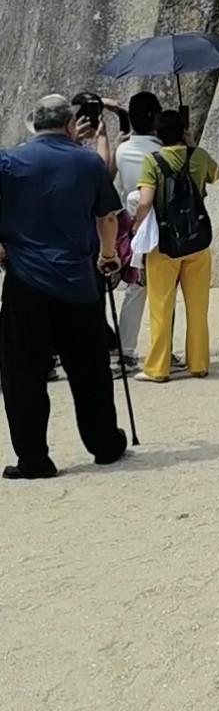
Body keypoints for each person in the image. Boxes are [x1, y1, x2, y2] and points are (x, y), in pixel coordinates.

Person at [0, 95, 128, 478]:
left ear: (33, 124)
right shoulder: (88, 161)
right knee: (90, 370)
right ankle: (104, 444)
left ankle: (34, 458)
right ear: (71, 124)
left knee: (22, 374)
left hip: (25, 282)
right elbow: (106, 216)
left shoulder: (8, 161)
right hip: (77, 282)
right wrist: (108, 255)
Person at [133, 111, 219, 383]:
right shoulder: (199, 156)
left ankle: (158, 368)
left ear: (158, 135)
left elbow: (145, 201)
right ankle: (198, 363)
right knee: (198, 307)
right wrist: (193, 146)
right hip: (197, 240)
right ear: (184, 130)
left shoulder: (152, 160)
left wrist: (136, 224)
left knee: (160, 306)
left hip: (164, 243)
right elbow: (217, 175)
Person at [113, 91, 165, 371]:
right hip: (160, 226)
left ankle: (126, 350)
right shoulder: (160, 152)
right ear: (155, 118)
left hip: (132, 225)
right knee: (163, 290)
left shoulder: (122, 150)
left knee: (135, 289)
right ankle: (162, 351)